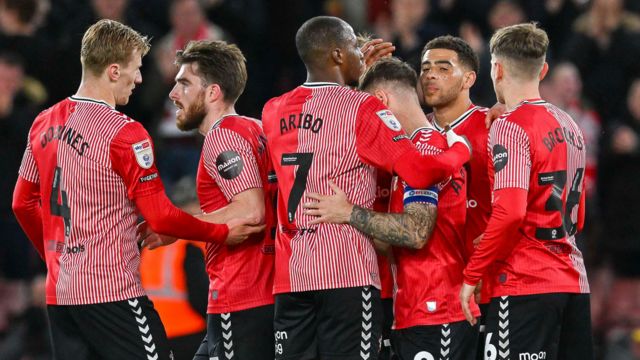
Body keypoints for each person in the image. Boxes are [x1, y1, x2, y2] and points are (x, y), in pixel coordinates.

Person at [11, 19, 258, 360]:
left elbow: (22, 204)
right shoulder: (124, 133)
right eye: (135, 69)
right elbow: (159, 217)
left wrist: (57, 263)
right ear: (113, 71)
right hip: (111, 293)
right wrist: (218, 231)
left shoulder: (44, 122)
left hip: (61, 296)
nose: (140, 79)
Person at [261, 16, 471, 360]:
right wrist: (460, 149)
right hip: (345, 270)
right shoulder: (363, 107)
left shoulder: (272, 110)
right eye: (355, 48)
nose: (362, 54)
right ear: (338, 56)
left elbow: (324, 125)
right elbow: (419, 170)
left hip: (291, 276)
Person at [303, 56, 479, 360]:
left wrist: (349, 213)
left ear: (381, 101)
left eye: (368, 110)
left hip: (437, 311)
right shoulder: (419, 150)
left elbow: (415, 233)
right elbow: (392, 240)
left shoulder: (423, 151)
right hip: (417, 311)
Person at [459, 23, 592, 360]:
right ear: (543, 69)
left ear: (496, 68)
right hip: (574, 284)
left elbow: (511, 212)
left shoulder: (510, 126)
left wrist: (472, 273)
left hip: (524, 284)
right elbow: (579, 215)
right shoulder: (571, 125)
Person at [144, 39, 277, 360]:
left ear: (213, 92)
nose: (174, 94)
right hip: (262, 296)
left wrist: (176, 228)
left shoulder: (223, 135)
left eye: (184, 84)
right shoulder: (257, 130)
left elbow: (250, 212)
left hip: (242, 295)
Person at [418, 35, 492, 359]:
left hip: (488, 287)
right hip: (432, 295)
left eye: (443, 68)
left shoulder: (494, 125)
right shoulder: (414, 133)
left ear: (469, 79)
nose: (430, 75)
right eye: (425, 68)